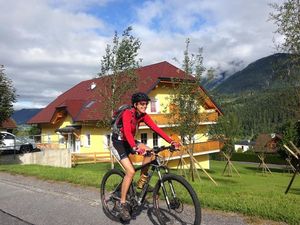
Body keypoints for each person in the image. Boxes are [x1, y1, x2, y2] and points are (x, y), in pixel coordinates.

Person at [111, 92, 180, 221]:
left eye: (146, 104)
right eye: (142, 104)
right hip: (118, 142)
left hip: (129, 141)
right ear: (135, 104)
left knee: (151, 152)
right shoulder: (127, 113)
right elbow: (126, 131)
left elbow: (156, 129)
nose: (144, 106)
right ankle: (122, 203)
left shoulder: (143, 116)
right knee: (130, 171)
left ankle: (141, 183)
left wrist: (171, 141)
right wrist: (135, 147)